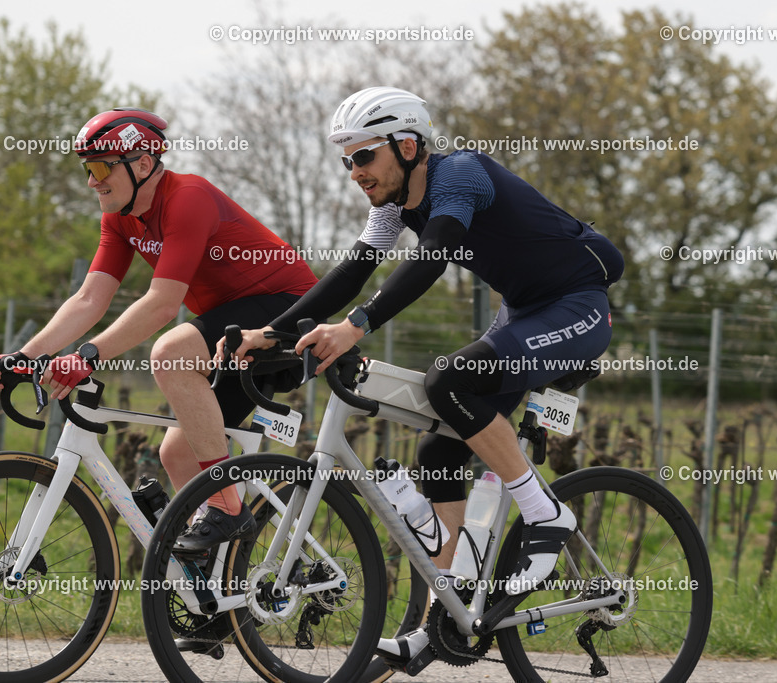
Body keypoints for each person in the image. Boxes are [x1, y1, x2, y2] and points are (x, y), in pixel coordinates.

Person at [228, 87, 624, 671]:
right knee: (439, 446)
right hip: (523, 311)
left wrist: (356, 327)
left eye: (364, 156)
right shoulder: (392, 205)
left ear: (407, 145)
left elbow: (433, 256)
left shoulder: (459, 175)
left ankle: (547, 515)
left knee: (449, 382)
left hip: (576, 305)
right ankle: (439, 620)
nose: (354, 172)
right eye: (346, 160)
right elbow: (355, 270)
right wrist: (271, 333)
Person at [0, 107, 318, 555]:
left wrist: (87, 355)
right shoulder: (120, 216)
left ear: (143, 164)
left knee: (170, 354)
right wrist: (24, 357)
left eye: (102, 167)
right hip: (230, 325)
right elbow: (89, 299)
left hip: (286, 312)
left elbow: (162, 304)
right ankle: (219, 592)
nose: (92, 181)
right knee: (178, 455)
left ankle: (228, 510)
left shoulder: (188, 198)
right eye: (88, 168)